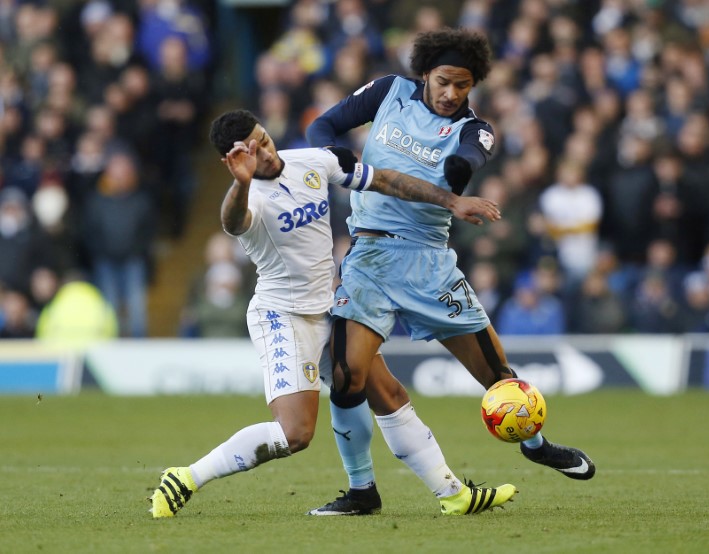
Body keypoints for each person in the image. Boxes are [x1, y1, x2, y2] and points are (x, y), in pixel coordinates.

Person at [149, 109, 516, 518]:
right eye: (252, 150)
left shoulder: (314, 161)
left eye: (265, 139)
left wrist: (450, 200)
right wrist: (240, 181)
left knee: (389, 395)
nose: (266, 153)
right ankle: (186, 476)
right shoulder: (246, 198)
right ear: (234, 158)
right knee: (296, 434)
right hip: (283, 317)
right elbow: (232, 223)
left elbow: (384, 179)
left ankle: (452, 494)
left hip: (329, 308)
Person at [305, 27, 596, 516]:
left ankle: (537, 444)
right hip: (369, 257)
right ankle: (361, 491)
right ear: (424, 73)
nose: (451, 93)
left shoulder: (475, 129)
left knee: (499, 377)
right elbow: (323, 127)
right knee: (345, 376)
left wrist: (459, 175)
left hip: (428, 264)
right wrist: (335, 158)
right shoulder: (388, 91)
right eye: (443, 81)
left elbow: (467, 160)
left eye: (463, 86)